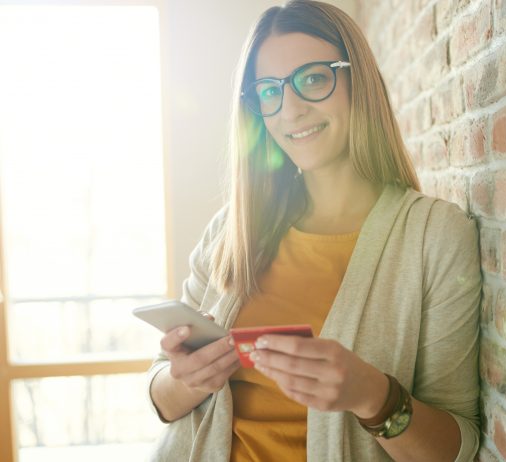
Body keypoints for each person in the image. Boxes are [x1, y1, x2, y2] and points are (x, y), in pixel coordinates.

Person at [145, 1, 482, 461]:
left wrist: (374, 396)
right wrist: (186, 379)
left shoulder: (435, 236)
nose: (291, 110)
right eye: (269, 90)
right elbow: (162, 395)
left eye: (313, 79)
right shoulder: (232, 231)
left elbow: (455, 449)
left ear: (357, 81)